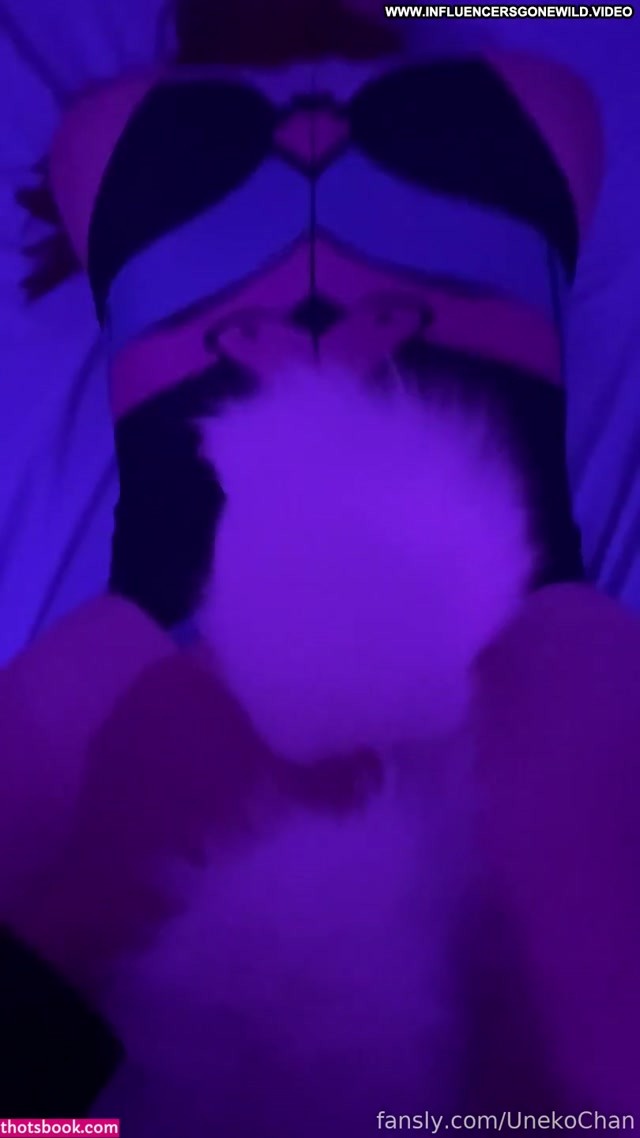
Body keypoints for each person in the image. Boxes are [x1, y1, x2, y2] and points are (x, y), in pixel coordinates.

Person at [5, 0, 637, 1117]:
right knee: (588, 1076)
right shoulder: (546, 100)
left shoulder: (101, 131)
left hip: (168, 624)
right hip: (508, 607)